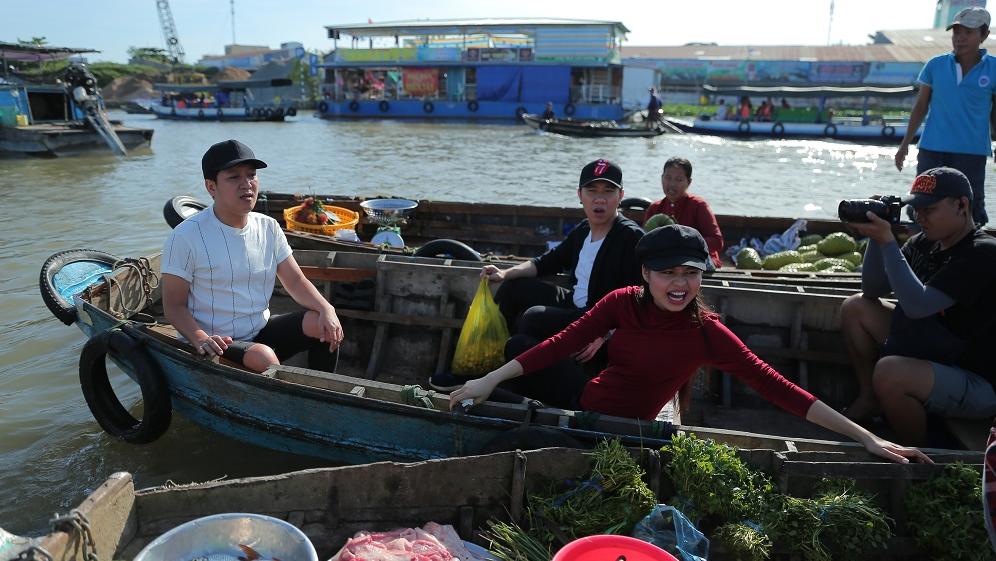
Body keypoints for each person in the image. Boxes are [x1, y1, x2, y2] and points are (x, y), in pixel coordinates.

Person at [448, 225, 932, 465]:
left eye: (690, 273)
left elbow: (780, 389)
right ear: (645, 274)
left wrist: (866, 438)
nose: (679, 285)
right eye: (667, 273)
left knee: (517, 410)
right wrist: (486, 380)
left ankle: (475, 392)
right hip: (584, 399)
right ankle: (464, 386)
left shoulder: (707, 334)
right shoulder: (622, 303)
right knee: (516, 349)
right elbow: (560, 343)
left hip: (618, 429)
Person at [432, 160, 644, 394]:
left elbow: (641, 297)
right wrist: (503, 273)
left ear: (621, 195)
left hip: (598, 320)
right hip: (574, 303)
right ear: (580, 195)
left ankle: (514, 374)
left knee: (532, 319)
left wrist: (605, 333)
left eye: (609, 191)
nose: (600, 199)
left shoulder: (630, 237)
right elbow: (545, 263)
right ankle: (483, 367)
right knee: (514, 287)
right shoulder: (584, 230)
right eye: (592, 191)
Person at [840, 167, 996, 445]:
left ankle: (920, 454)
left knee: (890, 372)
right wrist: (877, 239)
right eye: (916, 210)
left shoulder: (982, 252)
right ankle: (869, 399)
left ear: (962, 205)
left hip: (975, 379)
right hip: (932, 351)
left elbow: (917, 305)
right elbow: (873, 289)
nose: (920, 217)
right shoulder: (925, 244)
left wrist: (888, 241)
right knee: (856, 308)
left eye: (929, 209)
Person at [162, 139, 344, 373]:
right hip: (214, 342)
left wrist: (327, 309)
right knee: (263, 356)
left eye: (251, 175)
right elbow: (174, 306)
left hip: (260, 330)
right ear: (211, 187)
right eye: (234, 177)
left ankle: (323, 394)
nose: (246, 184)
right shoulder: (186, 236)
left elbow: (296, 281)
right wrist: (200, 338)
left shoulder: (268, 227)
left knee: (323, 325)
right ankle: (286, 402)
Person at [894, 6, 996, 226]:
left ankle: (970, 253)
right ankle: (920, 251)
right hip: (932, 148)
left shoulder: (994, 68)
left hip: (972, 151)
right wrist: (904, 145)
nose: (960, 38)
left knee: (969, 206)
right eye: (956, 32)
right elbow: (920, 106)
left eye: (968, 32)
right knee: (922, 202)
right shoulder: (935, 65)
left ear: (984, 35)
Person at [643, 157, 723, 269]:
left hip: (698, 260)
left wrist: (684, 242)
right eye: (668, 178)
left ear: (689, 182)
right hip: (666, 261)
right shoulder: (654, 208)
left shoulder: (699, 205)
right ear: (662, 178)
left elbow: (717, 242)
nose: (672, 184)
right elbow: (646, 242)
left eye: (679, 179)